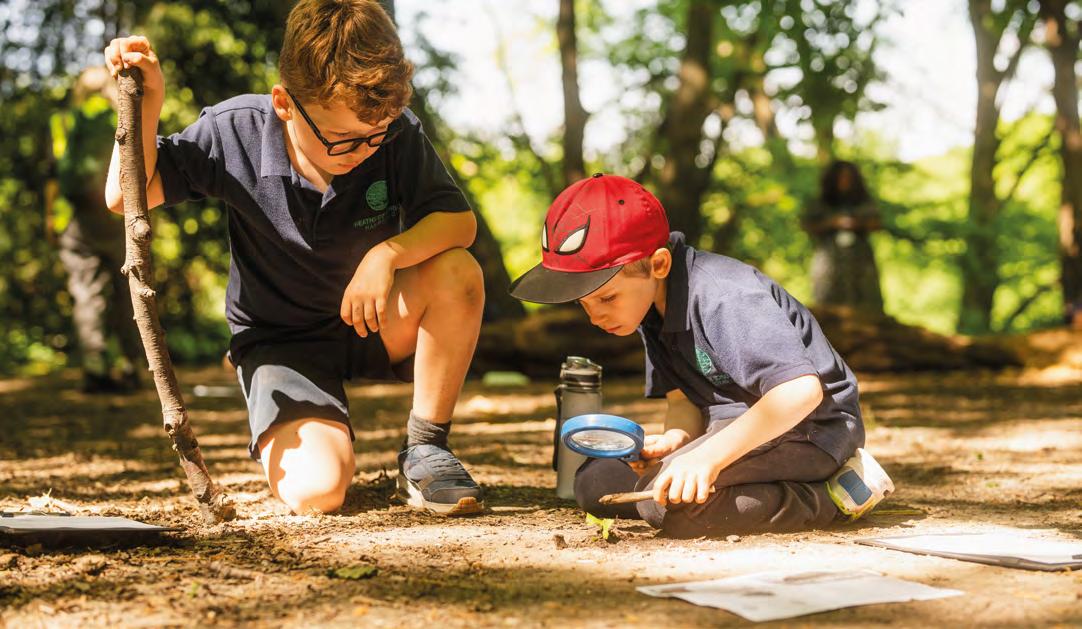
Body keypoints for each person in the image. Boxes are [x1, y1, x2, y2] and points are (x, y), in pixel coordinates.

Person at [102, 0, 485, 516]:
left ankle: (426, 448)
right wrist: (148, 103)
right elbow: (126, 195)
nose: (364, 151)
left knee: (458, 272)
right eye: (343, 139)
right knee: (316, 493)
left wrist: (387, 255)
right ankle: (289, 409)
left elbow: (458, 223)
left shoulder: (393, 133)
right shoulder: (235, 131)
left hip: (369, 318)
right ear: (284, 103)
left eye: (376, 135)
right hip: (283, 344)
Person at [509, 174, 894, 537]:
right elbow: (683, 402)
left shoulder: (725, 297)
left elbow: (799, 393)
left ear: (659, 264)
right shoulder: (650, 311)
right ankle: (727, 484)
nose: (595, 317)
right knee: (596, 482)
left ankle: (831, 496)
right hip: (732, 430)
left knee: (670, 507)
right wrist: (674, 440)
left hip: (810, 429)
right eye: (584, 303)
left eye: (607, 298)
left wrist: (706, 458)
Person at [46, 66, 144, 394]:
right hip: (117, 216)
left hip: (76, 220)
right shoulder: (122, 118)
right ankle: (131, 366)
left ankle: (95, 367)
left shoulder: (64, 120)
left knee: (87, 291)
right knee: (127, 290)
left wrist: (50, 217)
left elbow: (53, 174)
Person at [802, 160, 884, 313]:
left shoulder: (864, 201)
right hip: (829, 262)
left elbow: (877, 223)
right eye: (841, 177)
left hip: (860, 261)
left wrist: (856, 223)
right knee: (826, 304)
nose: (844, 181)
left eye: (848, 177)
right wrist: (832, 223)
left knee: (867, 305)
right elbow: (807, 225)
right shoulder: (821, 202)